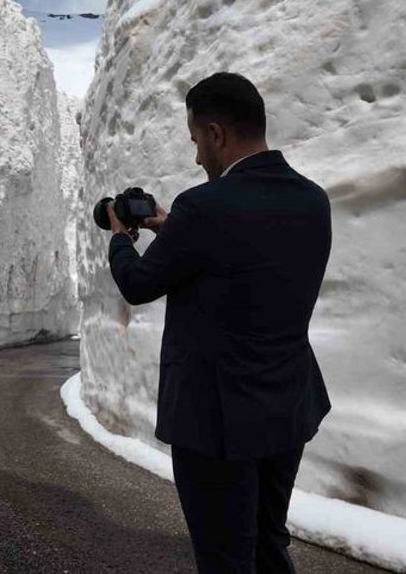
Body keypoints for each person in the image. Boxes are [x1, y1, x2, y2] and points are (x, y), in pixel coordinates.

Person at [105, 72, 332, 573]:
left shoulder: (202, 208)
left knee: (225, 557)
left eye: (195, 142)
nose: (196, 157)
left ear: (215, 134)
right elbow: (249, 260)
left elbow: (139, 284)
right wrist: (178, 228)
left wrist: (122, 236)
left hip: (216, 420)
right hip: (286, 407)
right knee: (268, 542)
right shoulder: (313, 200)